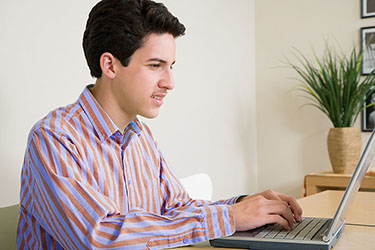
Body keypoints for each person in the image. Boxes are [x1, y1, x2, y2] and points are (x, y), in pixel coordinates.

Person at [17, 0, 302, 249]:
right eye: (155, 65)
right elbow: (99, 238)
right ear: (110, 65)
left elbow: (178, 209)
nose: (169, 82)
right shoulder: (54, 137)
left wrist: (243, 206)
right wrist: (229, 218)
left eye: (171, 66)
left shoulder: (140, 136)